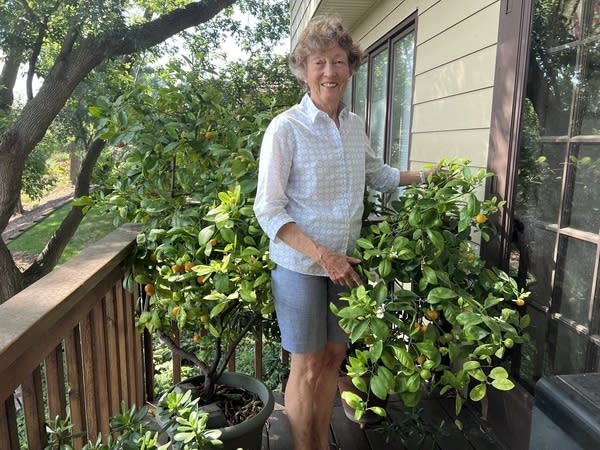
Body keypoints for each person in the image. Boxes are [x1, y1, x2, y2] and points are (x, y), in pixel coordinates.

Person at [253, 16, 429, 450]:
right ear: (304, 70)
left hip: (346, 264)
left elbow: (379, 174)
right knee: (307, 364)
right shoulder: (286, 128)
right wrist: (322, 255)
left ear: (350, 68)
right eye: (319, 62)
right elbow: (268, 210)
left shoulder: (352, 125)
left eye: (337, 62)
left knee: (334, 357)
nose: (329, 72)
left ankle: (322, 441)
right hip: (301, 265)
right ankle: (304, 444)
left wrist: (427, 177)